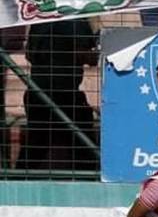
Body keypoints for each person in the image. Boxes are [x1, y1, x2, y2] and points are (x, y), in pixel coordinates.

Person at [22, 20, 100, 172]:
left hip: (37, 91)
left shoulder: (39, 20)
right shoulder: (75, 22)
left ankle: (18, 177)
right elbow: (84, 56)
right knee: (84, 147)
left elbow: (29, 55)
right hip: (64, 92)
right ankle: (89, 178)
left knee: (35, 146)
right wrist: (98, 53)